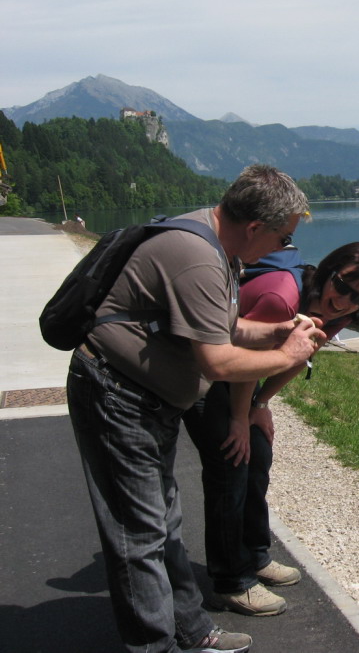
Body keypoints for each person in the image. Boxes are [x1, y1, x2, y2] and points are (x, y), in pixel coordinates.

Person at [66, 164, 323, 653]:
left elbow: (223, 326)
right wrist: (289, 356)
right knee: (138, 538)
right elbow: (218, 360)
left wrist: (278, 330)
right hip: (117, 395)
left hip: (146, 398)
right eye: (283, 237)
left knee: (163, 525)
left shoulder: (216, 244)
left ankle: (191, 630)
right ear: (255, 227)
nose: (285, 248)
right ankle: (155, 645)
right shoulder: (199, 257)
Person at [183, 242, 359, 617]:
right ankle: (231, 582)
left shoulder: (340, 313)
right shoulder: (283, 297)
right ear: (328, 272)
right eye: (342, 286)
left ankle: (255, 555)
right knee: (231, 462)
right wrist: (238, 419)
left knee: (258, 454)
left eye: (358, 298)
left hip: (241, 371)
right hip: (201, 369)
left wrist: (260, 406)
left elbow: (300, 356)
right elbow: (250, 358)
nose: (343, 301)